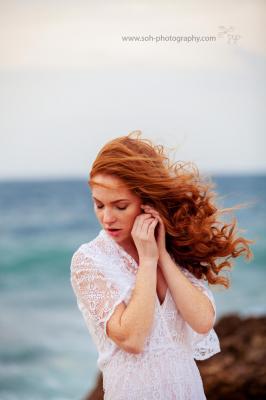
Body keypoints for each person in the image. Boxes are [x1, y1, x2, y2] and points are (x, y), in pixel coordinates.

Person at [70, 130, 253, 399]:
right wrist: (147, 262)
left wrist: (161, 256)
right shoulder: (89, 260)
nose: (107, 218)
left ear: (146, 203)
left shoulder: (173, 248)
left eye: (120, 206)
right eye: (99, 205)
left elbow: (202, 321)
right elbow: (131, 339)